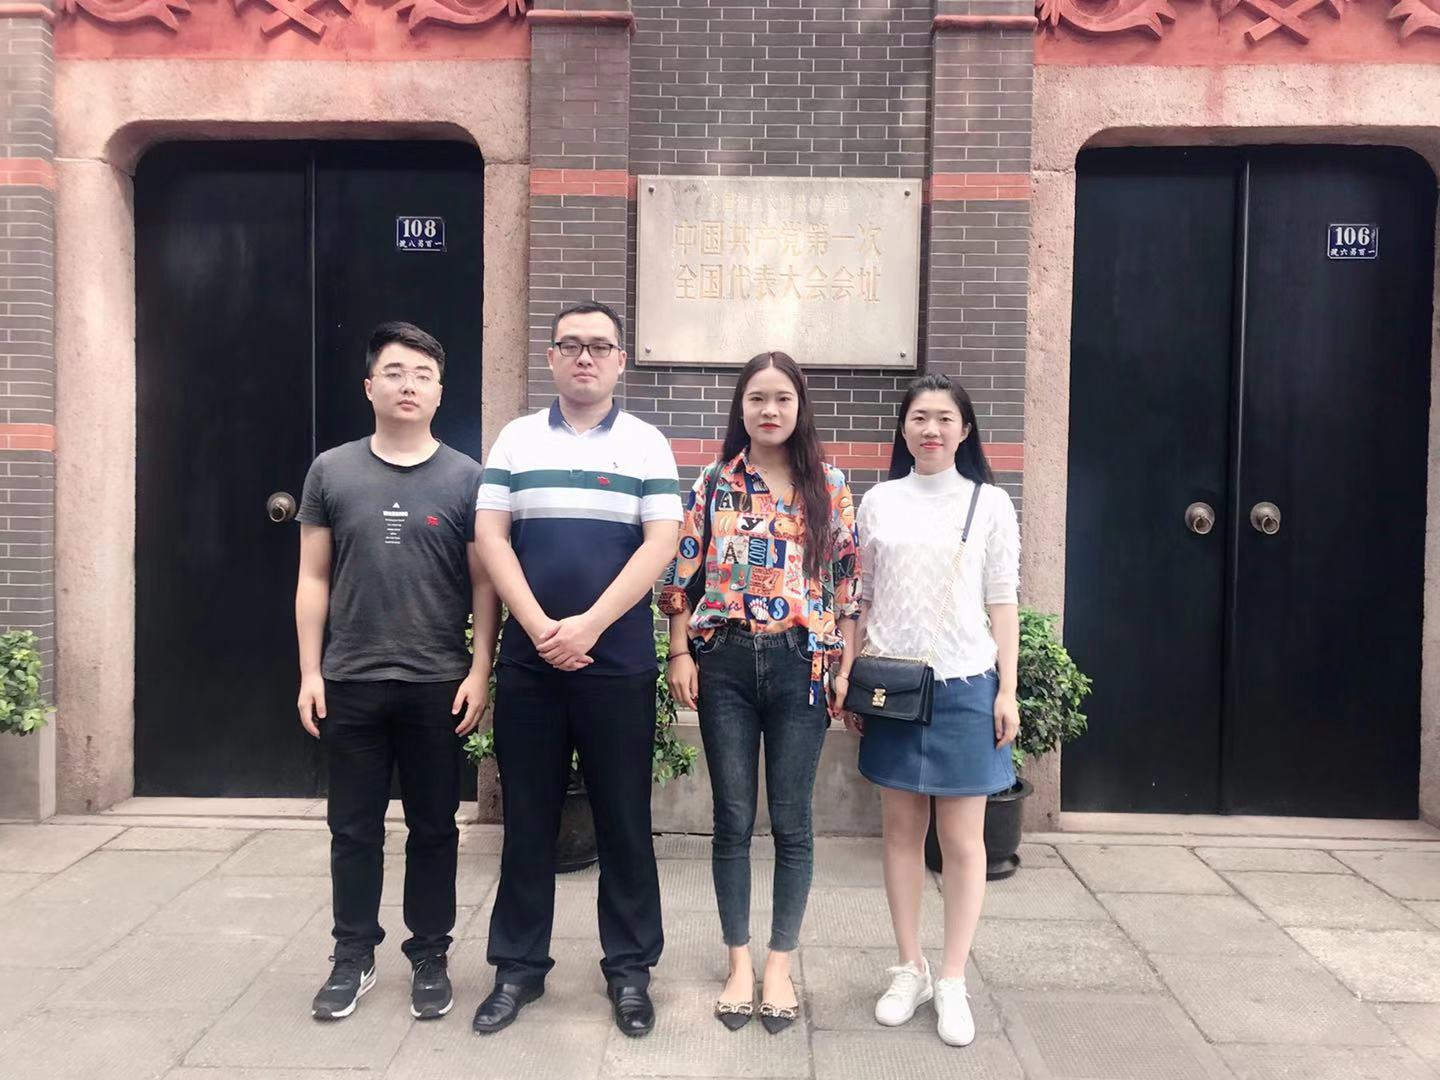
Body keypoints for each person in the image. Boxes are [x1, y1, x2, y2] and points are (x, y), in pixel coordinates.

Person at [473, 300, 682, 1038]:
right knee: (528, 820)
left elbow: (660, 543)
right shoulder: (517, 438)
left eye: (599, 346)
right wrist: (537, 627)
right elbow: (491, 535)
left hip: (616, 663)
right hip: (529, 666)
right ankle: (517, 969)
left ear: (621, 360)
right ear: (552, 357)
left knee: (624, 820)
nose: (585, 356)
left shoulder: (647, 444)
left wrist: (589, 625)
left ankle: (630, 970)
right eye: (571, 345)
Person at [295, 320, 498, 1022]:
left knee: (435, 828)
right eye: (394, 372)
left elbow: (484, 584)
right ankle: (352, 953)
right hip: (349, 680)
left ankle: (430, 954)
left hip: (436, 683)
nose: (408, 385)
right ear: (369, 386)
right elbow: (313, 578)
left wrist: (479, 668)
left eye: (422, 375)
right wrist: (311, 671)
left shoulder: (467, 478)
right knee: (353, 829)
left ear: (440, 392)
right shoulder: (331, 471)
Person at [660, 351, 860, 1035]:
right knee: (733, 817)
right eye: (756, 399)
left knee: (794, 822)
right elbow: (680, 575)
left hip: (802, 664)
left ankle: (780, 964)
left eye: (782, 398)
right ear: (740, 407)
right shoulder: (715, 481)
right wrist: (679, 651)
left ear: (800, 406)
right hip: (724, 663)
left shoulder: (828, 484)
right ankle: (738, 962)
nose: (769, 410)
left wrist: (844, 667)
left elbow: (847, 584)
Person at [840, 373, 1021, 1048]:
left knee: (965, 841)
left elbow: (1003, 599)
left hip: (966, 684)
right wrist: (847, 671)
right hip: (892, 687)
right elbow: (859, 596)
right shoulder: (879, 501)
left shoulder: (989, 504)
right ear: (903, 428)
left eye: (945, 418)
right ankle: (909, 967)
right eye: (919, 417)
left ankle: (951, 978)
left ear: (964, 429)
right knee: (899, 833)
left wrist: (1007, 689)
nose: (932, 429)